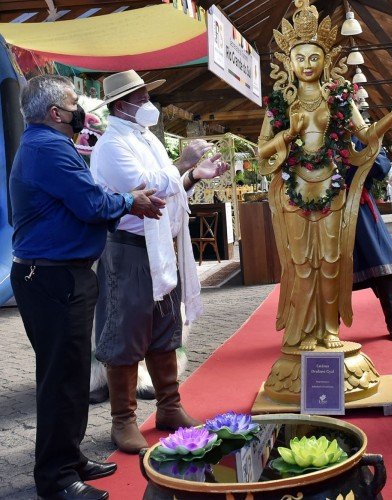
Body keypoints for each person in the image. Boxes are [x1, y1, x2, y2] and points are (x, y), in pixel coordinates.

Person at [10, 75, 165, 500]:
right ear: (56, 113)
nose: (82, 111)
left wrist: (122, 199)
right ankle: (56, 478)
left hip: (62, 274)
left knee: (74, 375)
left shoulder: (51, 144)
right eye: (74, 103)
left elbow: (91, 197)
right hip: (52, 276)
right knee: (61, 378)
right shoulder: (47, 147)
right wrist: (130, 200)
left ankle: (70, 457)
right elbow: (92, 202)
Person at [256, 0, 392, 355]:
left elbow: (365, 135)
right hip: (295, 190)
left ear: (327, 62)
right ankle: (304, 331)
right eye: (299, 58)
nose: (306, 65)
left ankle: (329, 330)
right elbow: (262, 152)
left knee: (332, 264)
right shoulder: (280, 104)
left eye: (313, 57)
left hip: (334, 190)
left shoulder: (340, 97)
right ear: (288, 62)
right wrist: (288, 135)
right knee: (302, 265)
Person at [90, 70, 229, 454]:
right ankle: (123, 420)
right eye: (144, 96)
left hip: (159, 246)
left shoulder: (144, 136)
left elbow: (168, 189)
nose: (149, 103)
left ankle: (169, 406)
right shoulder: (111, 144)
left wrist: (192, 177)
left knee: (164, 327)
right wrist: (182, 163)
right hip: (129, 248)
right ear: (123, 104)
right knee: (125, 331)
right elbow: (146, 186)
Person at [350, 144, 392, 341]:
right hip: (329, 210)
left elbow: (381, 169)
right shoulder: (320, 134)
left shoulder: (364, 137)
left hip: (361, 208)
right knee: (331, 270)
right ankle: (330, 327)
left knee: (380, 264)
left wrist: (362, 153)